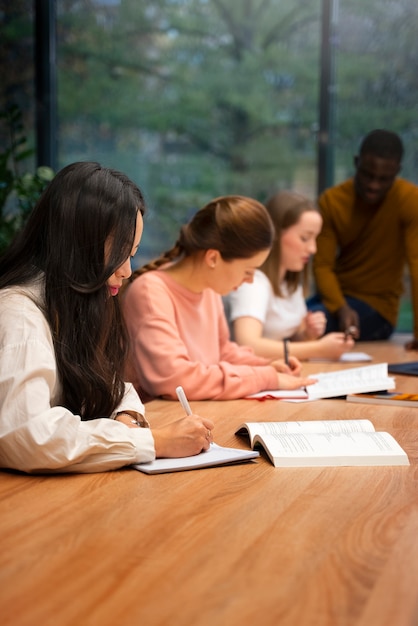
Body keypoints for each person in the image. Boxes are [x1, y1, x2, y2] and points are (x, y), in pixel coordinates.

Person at [0, 161, 214, 474]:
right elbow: (29, 435)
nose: (127, 271)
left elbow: (112, 386)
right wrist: (153, 442)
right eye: (119, 254)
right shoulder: (18, 314)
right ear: (77, 247)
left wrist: (126, 421)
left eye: (132, 254)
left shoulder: (76, 302)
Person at [121, 195, 316, 401]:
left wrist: (266, 366)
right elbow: (175, 380)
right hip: (161, 420)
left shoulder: (209, 288)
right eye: (248, 271)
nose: (249, 281)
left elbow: (222, 352)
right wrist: (264, 377)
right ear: (213, 258)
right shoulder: (150, 292)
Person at [307, 129, 418, 348]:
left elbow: (417, 266)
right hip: (335, 300)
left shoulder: (410, 200)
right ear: (357, 162)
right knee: (288, 320)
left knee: (311, 325)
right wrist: (341, 307)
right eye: (368, 174)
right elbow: (322, 266)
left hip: (379, 309)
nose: (373, 185)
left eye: (384, 179)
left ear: (398, 171)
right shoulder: (332, 201)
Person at [225, 190, 354, 361]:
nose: (313, 249)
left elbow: (286, 342)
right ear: (276, 235)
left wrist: (306, 334)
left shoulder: (290, 285)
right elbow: (248, 344)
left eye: (315, 238)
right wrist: (318, 348)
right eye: (304, 238)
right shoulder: (253, 282)